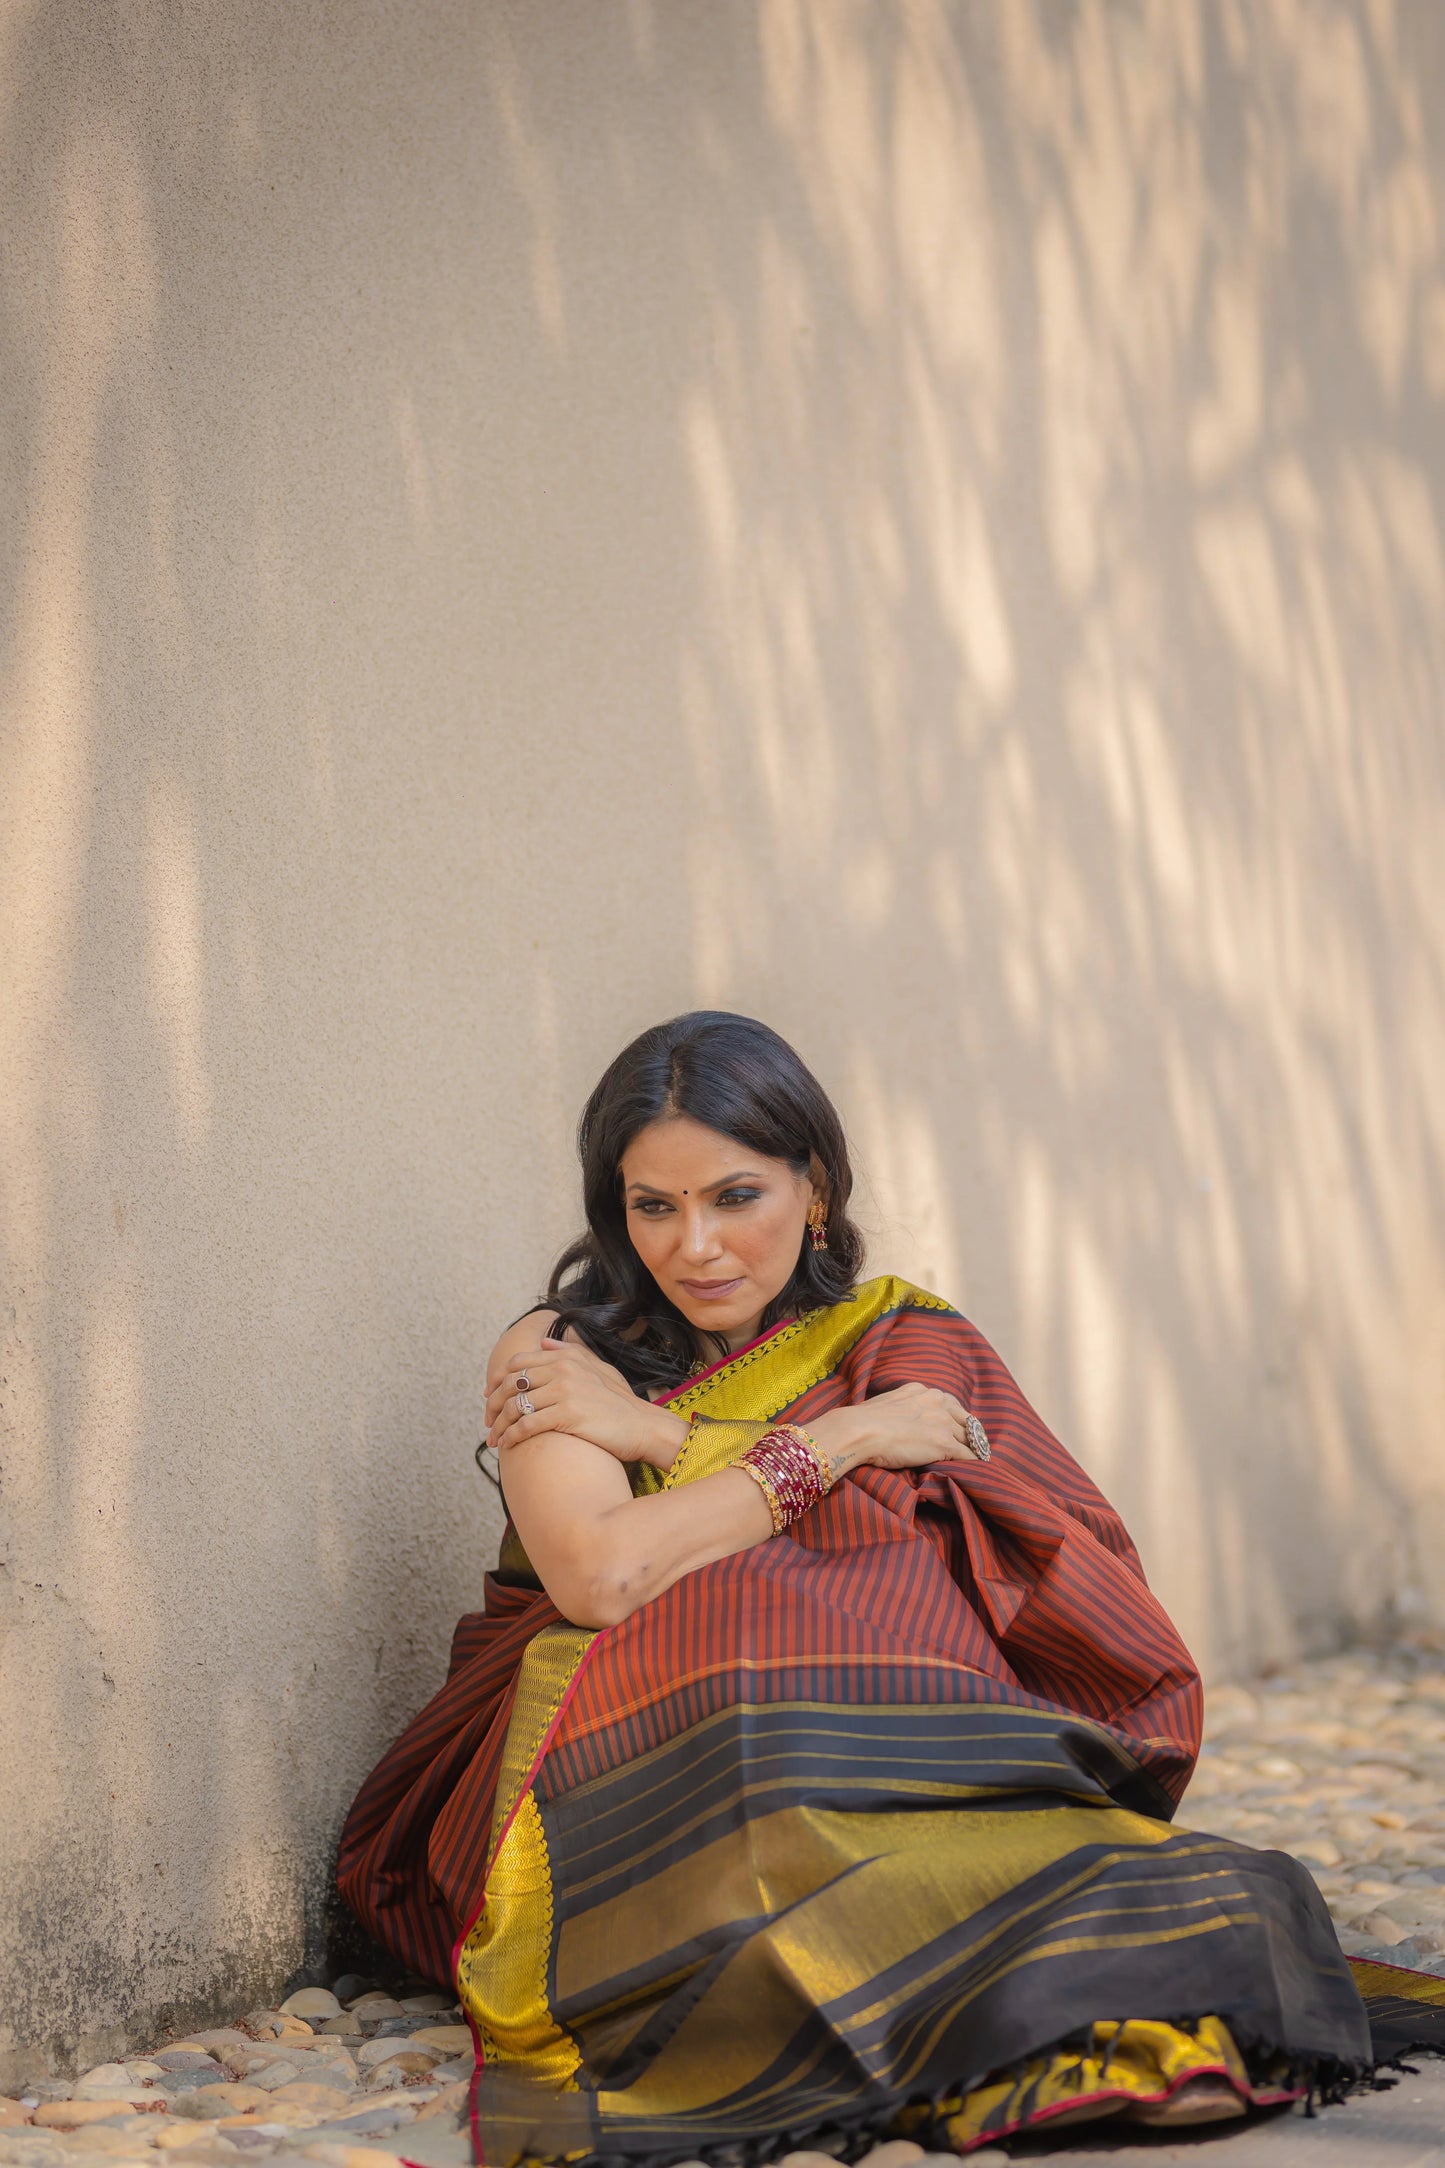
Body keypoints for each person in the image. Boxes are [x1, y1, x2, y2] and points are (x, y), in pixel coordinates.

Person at [338, 1012, 1378, 2163]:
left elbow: (937, 1557)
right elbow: (605, 1570)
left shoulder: (896, 1341)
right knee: (739, 1672)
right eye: (653, 1205)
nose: (694, 1246)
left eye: (736, 1195)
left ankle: (1064, 2013)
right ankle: (990, 2045)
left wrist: (664, 1444)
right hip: (610, 1750)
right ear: (613, 1210)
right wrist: (835, 1446)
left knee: (1151, 1891)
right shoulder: (558, 1352)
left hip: (864, 1727)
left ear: (815, 1188)